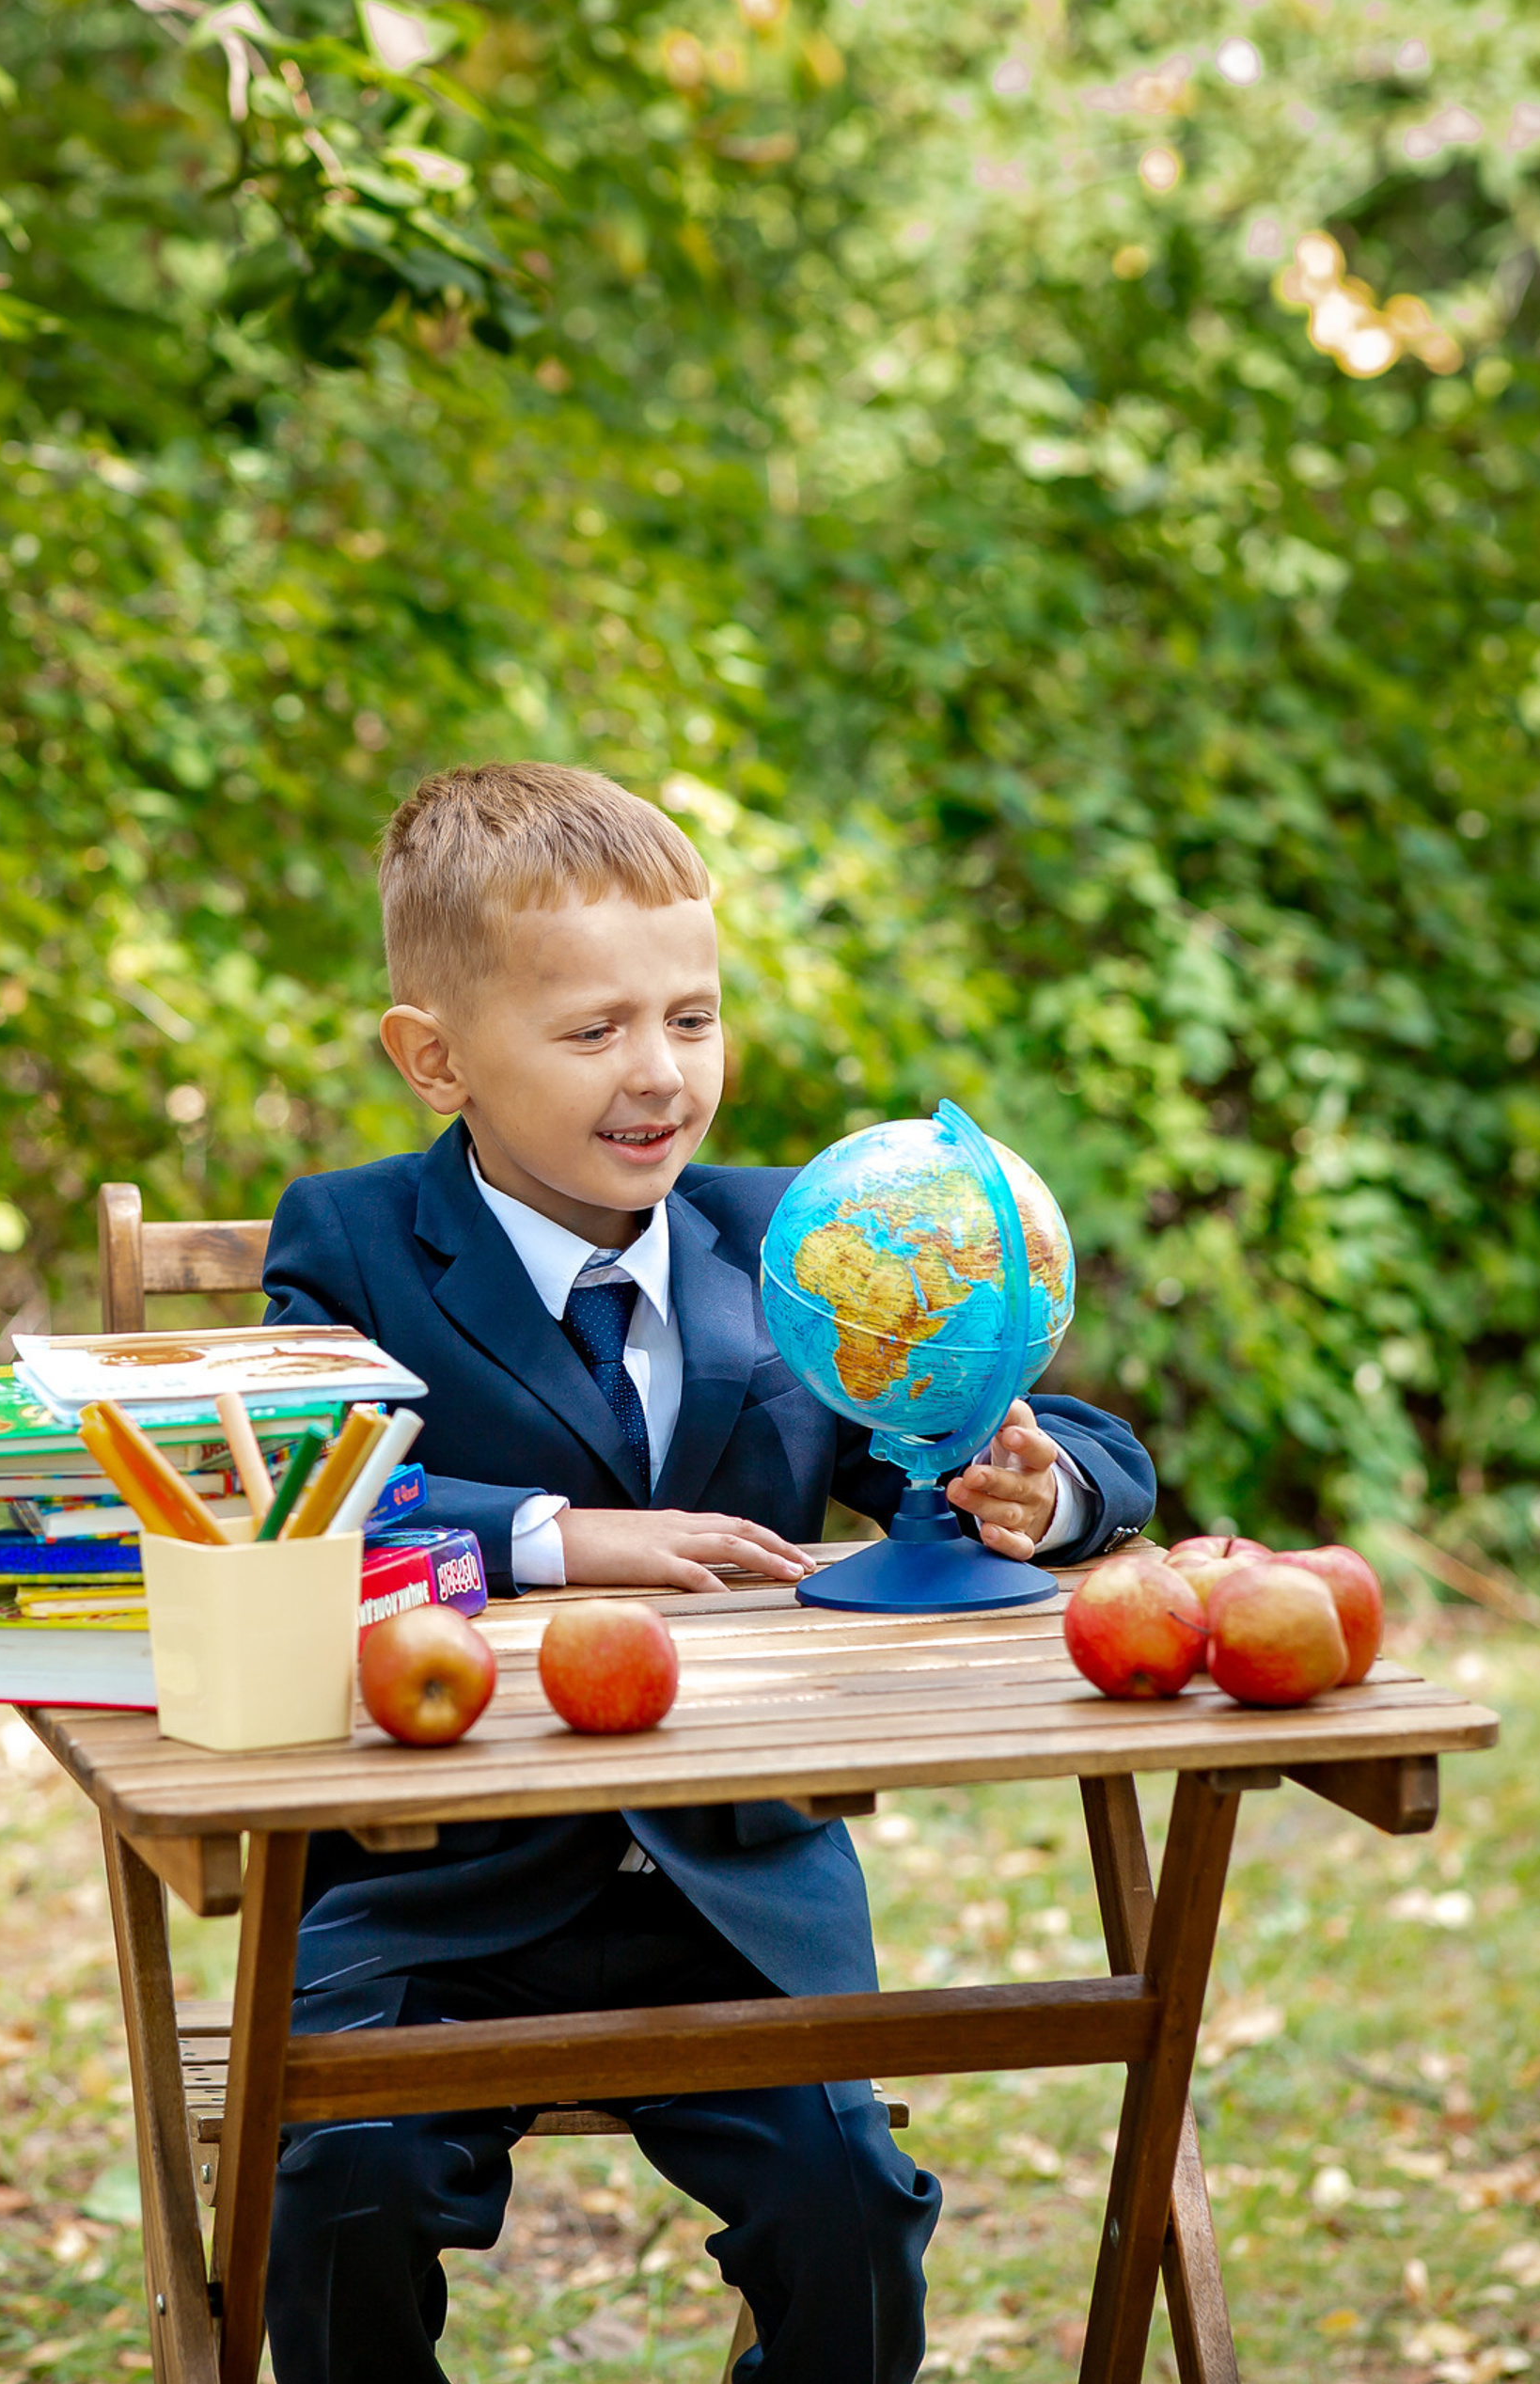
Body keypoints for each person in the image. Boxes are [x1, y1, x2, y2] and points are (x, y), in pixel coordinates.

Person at [259, 762, 1155, 2384]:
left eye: (693, 1017)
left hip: (737, 1902)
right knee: (344, 2179)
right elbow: (290, 1484)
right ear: (435, 1058)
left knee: (850, 2204)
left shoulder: (801, 1245)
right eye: (594, 1030)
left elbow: (1047, 1435)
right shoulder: (355, 1242)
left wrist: (1049, 1488)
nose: (660, 1075)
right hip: (431, 1903)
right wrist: (555, 1542)